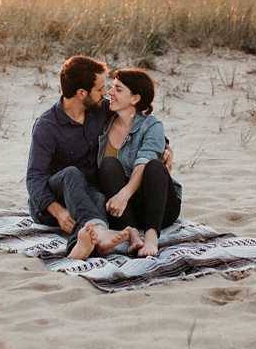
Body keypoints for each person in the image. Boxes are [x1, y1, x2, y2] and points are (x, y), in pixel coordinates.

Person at [26, 56, 173, 260]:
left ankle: (83, 246)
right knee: (71, 173)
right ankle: (100, 231)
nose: (105, 94)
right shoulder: (47, 126)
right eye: (100, 89)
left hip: (86, 196)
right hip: (53, 202)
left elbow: (137, 124)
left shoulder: (99, 109)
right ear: (81, 93)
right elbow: (34, 178)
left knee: (99, 197)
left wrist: (165, 147)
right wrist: (58, 211)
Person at [98, 68, 182, 257]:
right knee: (108, 164)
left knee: (153, 165)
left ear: (135, 98)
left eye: (118, 89)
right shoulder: (104, 121)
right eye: (112, 88)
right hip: (125, 211)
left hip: (158, 206)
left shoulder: (152, 126)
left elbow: (144, 161)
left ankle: (151, 236)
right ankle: (133, 233)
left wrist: (124, 194)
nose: (110, 93)